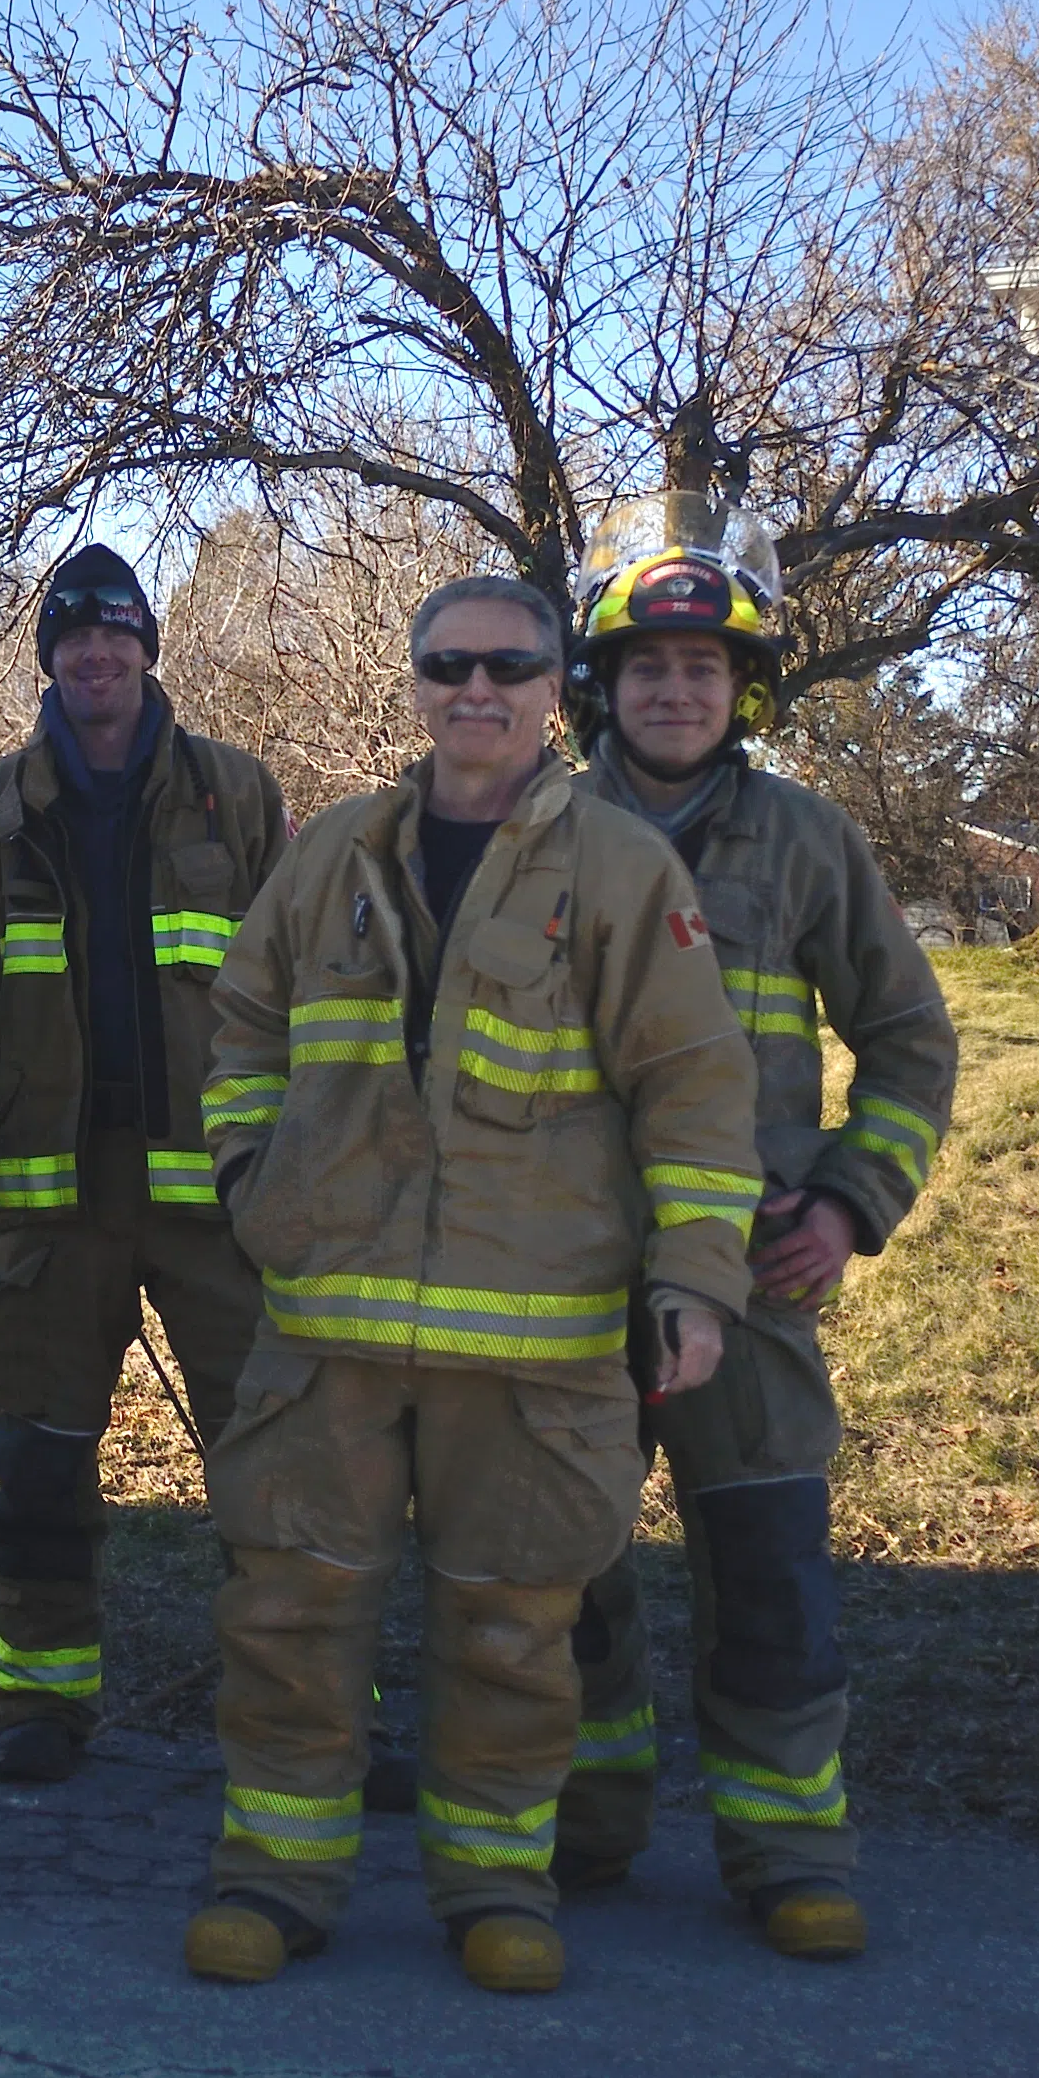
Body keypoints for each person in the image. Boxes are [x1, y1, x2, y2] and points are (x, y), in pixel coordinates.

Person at [182, 572, 762, 1995]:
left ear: (556, 684)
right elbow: (241, 1022)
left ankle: (498, 1882)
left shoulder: (623, 871)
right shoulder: (330, 855)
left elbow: (695, 1092)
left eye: (509, 666)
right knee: (288, 1615)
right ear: (417, 680)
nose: (477, 691)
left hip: (535, 1343)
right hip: (331, 1334)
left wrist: (694, 1281)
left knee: (512, 1630)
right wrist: (249, 1173)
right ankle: (273, 1875)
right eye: (449, 665)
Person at [555, 501, 958, 1962]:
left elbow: (910, 1041)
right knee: (561, 1573)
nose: (675, 690)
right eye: (648, 665)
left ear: (746, 690)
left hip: (753, 1281)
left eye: (705, 669)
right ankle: (580, 1827)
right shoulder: (532, 832)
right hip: (566, 1274)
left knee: (771, 1568)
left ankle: (787, 1853)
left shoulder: (806, 842)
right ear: (602, 681)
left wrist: (852, 1202)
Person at [0, 543, 285, 1783]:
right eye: (74, 636)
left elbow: (301, 990)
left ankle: (299, 1704)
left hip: (218, 1191)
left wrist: (301, 1157)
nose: (96, 653)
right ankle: (40, 1702)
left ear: (147, 647)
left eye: (116, 632)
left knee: (275, 1450)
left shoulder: (239, 794)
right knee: (41, 1455)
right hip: (47, 1190)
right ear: (50, 659)